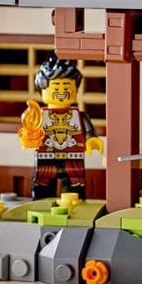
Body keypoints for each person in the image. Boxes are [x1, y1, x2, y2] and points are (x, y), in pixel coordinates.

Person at [17, 54, 103, 200]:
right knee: (43, 184)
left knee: (76, 185)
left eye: (67, 87)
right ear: (42, 89)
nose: (62, 92)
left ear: (76, 90)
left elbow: (89, 132)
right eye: (56, 87)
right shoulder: (38, 116)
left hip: (74, 157)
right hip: (46, 157)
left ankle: (73, 206)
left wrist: (91, 140)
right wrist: (29, 138)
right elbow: (29, 132)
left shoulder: (79, 116)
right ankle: (42, 204)